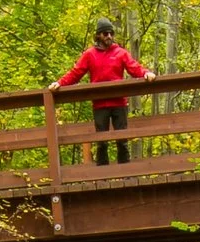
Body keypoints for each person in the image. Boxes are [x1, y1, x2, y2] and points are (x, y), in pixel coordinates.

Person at [52, 19, 150, 164]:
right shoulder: (90, 54)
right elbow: (76, 73)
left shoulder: (120, 53)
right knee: (101, 142)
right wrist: (59, 83)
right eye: (105, 33)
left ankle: (126, 175)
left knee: (122, 140)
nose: (109, 36)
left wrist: (146, 73)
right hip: (100, 104)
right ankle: (103, 179)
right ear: (98, 36)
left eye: (111, 33)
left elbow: (134, 67)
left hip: (119, 102)